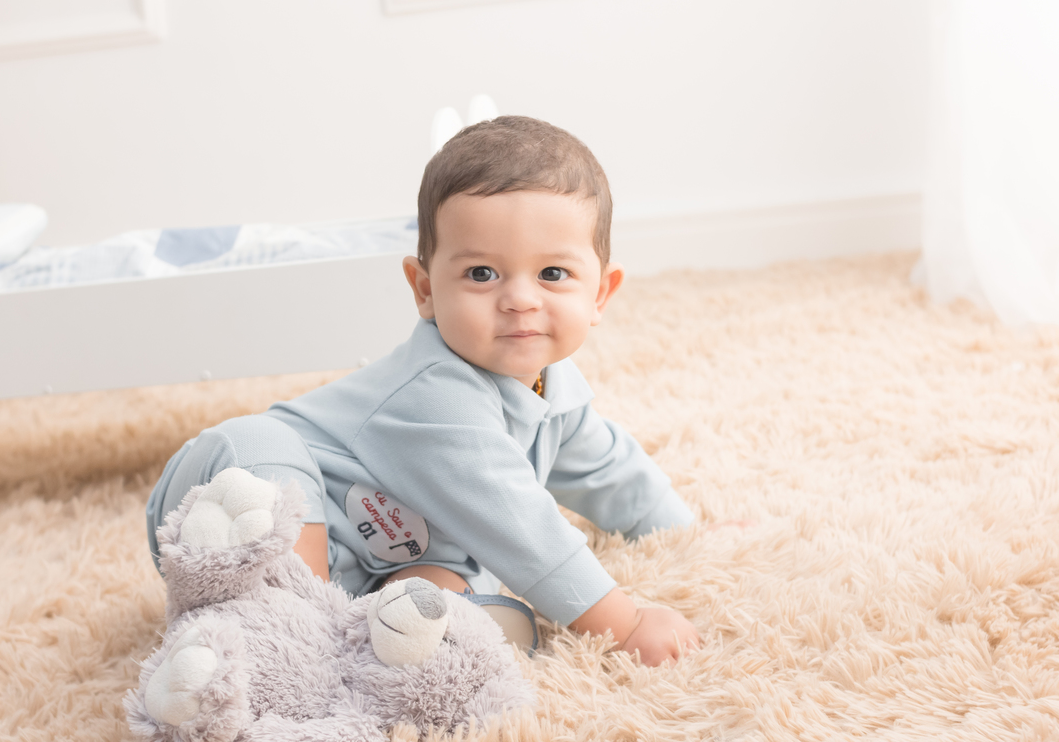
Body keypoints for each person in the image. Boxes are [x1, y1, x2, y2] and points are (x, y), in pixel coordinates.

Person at [146, 116, 701, 665]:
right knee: (259, 447)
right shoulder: (439, 397)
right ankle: (278, 642)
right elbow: (527, 531)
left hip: (369, 565)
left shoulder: (555, 388)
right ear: (425, 289)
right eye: (482, 274)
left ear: (601, 293)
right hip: (230, 495)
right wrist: (623, 623)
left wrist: (680, 525)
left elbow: (609, 469)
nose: (520, 299)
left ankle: (352, 639)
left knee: (442, 587)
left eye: (553, 274)